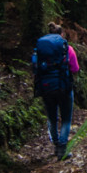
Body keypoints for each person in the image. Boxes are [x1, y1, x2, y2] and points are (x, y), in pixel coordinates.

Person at [32, 22, 80, 160]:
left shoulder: (40, 49)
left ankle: (56, 143)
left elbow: (35, 68)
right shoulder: (68, 49)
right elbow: (75, 69)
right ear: (62, 34)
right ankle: (62, 149)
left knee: (52, 118)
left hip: (46, 87)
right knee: (66, 119)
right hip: (64, 88)